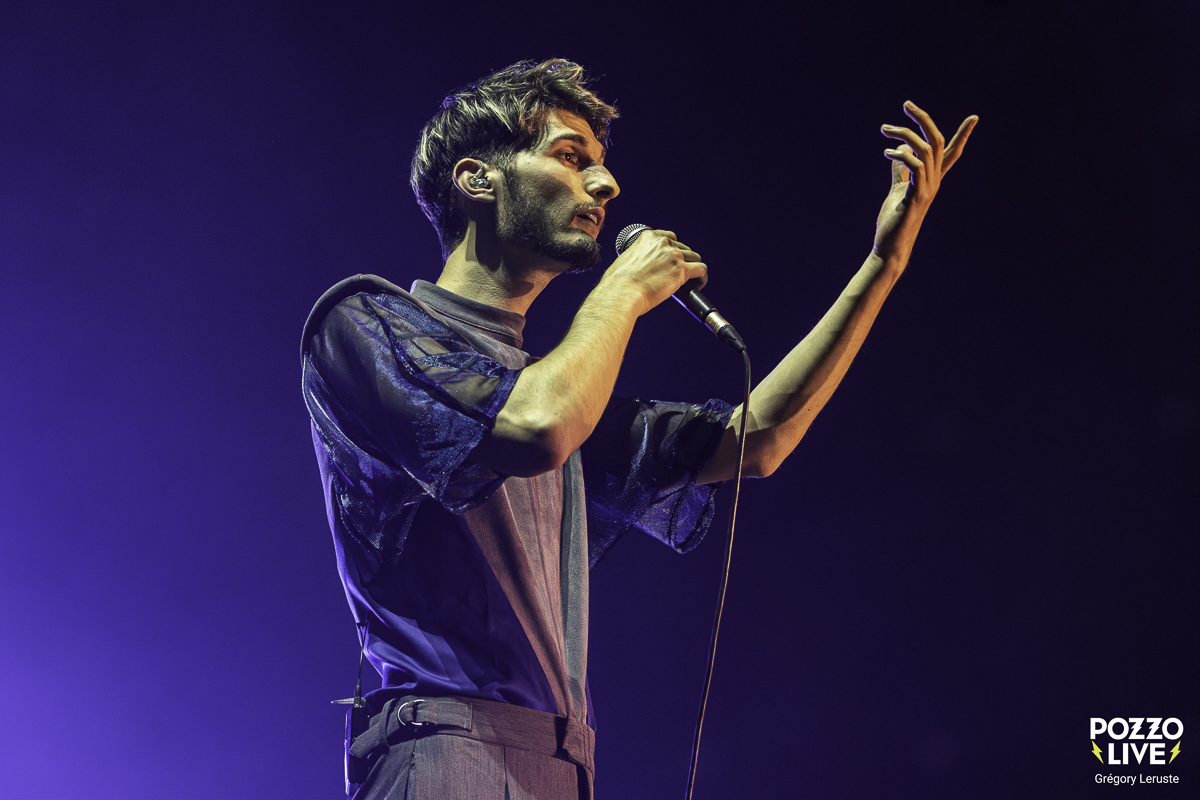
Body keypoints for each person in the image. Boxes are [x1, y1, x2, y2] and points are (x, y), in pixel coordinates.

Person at [300, 58, 976, 800]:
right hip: (447, 750)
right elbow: (535, 426)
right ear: (477, 179)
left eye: (601, 163)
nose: (606, 184)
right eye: (570, 156)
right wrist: (622, 290)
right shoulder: (363, 323)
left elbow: (759, 438)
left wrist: (883, 263)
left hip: (563, 766)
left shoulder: (552, 389)